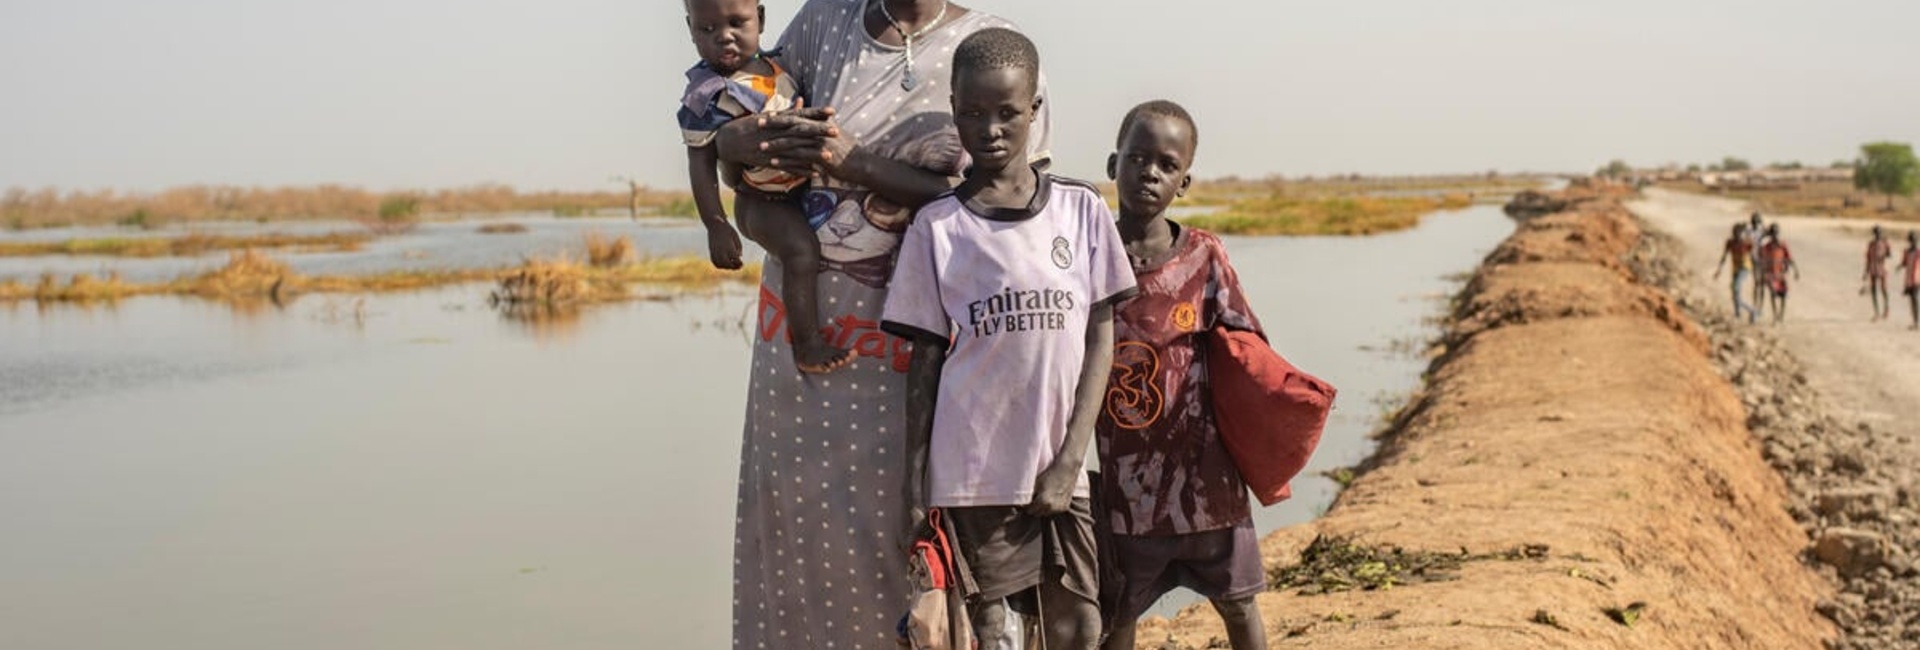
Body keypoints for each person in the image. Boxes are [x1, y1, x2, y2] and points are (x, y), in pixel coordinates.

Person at [714, 2, 1053, 648]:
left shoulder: (994, 47)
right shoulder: (822, 23)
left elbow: (1015, 207)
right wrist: (728, 142)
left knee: (915, 536)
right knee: (799, 542)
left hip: (927, 358)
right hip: (803, 348)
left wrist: (857, 165)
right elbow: (745, 126)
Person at [883, 28, 1132, 649]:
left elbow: (1101, 338)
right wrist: (915, 490)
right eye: (971, 113)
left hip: (1061, 467)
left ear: (1034, 111)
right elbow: (926, 364)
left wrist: (1071, 459)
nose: (989, 129)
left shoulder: (1081, 211)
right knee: (994, 632)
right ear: (953, 107)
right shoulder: (937, 228)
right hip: (973, 472)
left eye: (1007, 113)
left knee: (1079, 623)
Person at [1094, 101, 1269, 650]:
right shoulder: (1089, 254)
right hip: (1123, 484)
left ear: (1184, 182)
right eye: (1138, 158)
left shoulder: (1204, 256)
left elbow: (1249, 351)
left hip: (1206, 479)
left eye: (1166, 165)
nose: (1149, 172)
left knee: (1239, 604)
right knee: (1117, 613)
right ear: (1113, 163)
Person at [680, 0, 855, 374]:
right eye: (706, 30)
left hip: (800, 191)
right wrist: (716, 224)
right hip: (761, 201)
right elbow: (700, 161)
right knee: (800, 251)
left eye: (736, 23)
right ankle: (808, 346)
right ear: (690, 29)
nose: (723, 37)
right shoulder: (707, 94)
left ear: (759, 19)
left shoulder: (778, 66)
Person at [1713, 221, 1759, 323]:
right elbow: (1724, 256)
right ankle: (1746, 312)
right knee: (1735, 294)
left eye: (1738, 233)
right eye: (1735, 233)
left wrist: (1758, 270)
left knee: (1736, 289)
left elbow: (1754, 256)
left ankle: (1744, 313)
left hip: (1745, 268)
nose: (1737, 235)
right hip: (1736, 269)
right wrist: (1718, 270)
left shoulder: (1746, 242)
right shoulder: (1730, 242)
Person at [1759, 224, 1800, 324]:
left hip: (1781, 273)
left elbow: (1789, 258)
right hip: (1771, 274)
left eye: (1777, 233)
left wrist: (1795, 270)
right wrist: (1762, 274)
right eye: (1773, 234)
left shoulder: (1783, 245)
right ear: (1771, 235)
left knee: (1783, 295)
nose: (1775, 236)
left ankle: (1781, 315)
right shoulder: (1766, 247)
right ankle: (1775, 315)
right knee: (1773, 294)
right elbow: (1762, 259)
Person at [1866, 225, 1893, 321]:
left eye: (1879, 233)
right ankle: (1876, 312)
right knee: (1873, 291)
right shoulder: (1871, 244)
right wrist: (1866, 271)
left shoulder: (1885, 243)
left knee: (1884, 290)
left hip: (1883, 269)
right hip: (1873, 269)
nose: (1878, 234)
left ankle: (1886, 308)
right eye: (1876, 233)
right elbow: (1868, 258)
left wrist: (1885, 254)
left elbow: (1890, 254)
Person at [1748, 212, 1769, 318]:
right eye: (1755, 222)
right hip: (1754, 260)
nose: (1756, 224)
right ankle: (1755, 307)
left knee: (1761, 285)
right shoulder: (1749, 232)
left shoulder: (1763, 232)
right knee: (1757, 285)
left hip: (1763, 261)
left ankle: (1759, 307)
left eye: (1758, 222)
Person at [1901, 231, 1920, 330]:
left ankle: (1916, 323)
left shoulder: (1919, 252)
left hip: (1916, 280)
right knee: (1912, 302)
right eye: (1912, 240)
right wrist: (1899, 266)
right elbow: (1904, 263)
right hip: (1909, 281)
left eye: (1915, 240)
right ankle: (1915, 322)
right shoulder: (1907, 252)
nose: (1914, 242)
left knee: (1915, 301)